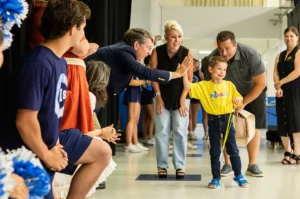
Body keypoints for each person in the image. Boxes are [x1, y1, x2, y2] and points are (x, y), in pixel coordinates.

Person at [0, 1, 112, 199]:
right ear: (71, 29)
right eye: (82, 29)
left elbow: (51, 113)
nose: (83, 35)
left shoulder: (59, 61)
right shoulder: (38, 63)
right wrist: (47, 154)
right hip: (26, 152)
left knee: (102, 151)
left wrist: (55, 143)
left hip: (50, 140)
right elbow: (25, 121)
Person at [203, 30, 266, 177]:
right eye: (220, 49)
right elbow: (210, 84)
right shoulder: (213, 58)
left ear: (235, 45)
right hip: (226, 93)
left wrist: (243, 103)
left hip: (253, 90)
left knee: (253, 125)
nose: (223, 53)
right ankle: (228, 164)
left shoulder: (250, 54)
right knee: (224, 126)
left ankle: (252, 164)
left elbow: (261, 83)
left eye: (227, 48)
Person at [183, 56, 249, 189]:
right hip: (213, 120)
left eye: (224, 69)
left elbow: (238, 97)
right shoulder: (204, 86)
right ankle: (216, 178)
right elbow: (187, 86)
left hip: (228, 119)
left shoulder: (229, 85)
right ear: (210, 69)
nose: (222, 72)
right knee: (215, 151)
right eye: (219, 69)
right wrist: (184, 72)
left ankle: (238, 174)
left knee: (233, 149)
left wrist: (237, 100)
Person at [85, 28, 191, 96]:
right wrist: (176, 74)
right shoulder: (124, 52)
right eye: (148, 48)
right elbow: (145, 72)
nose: (149, 53)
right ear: (136, 45)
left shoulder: (123, 49)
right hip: (86, 90)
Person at [149, 20, 193, 179]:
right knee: (161, 131)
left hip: (181, 97)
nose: (176, 40)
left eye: (179, 37)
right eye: (173, 36)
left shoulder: (186, 53)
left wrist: (183, 99)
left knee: (180, 131)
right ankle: (162, 165)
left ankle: (180, 166)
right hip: (162, 96)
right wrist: (158, 96)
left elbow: (189, 80)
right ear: (166, 37)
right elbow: (152, 76)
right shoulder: (157, 51)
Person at [274, 26, 300, 164]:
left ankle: (297, 152)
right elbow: (275, 72)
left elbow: (297, 72)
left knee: (295, 121)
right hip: (281, 92)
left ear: (297, 37)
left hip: (295, 91)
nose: (288, 38)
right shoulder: (280, 55)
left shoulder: (299, 52)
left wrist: (280, 83)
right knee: (282, 122)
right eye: (286, 36)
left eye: (291, 36)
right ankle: (288, 150)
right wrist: (277, 86)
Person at [123, 74, 149, 153]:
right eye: (140, 59)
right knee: (131, 119)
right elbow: (130, 82)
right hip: (132, 92)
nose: (142, 60)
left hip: (137, 91)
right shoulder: (132, 66)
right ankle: (128, 144)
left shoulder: (139, 67)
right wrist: (144, 81)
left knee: (136, 120)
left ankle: (135, 142)